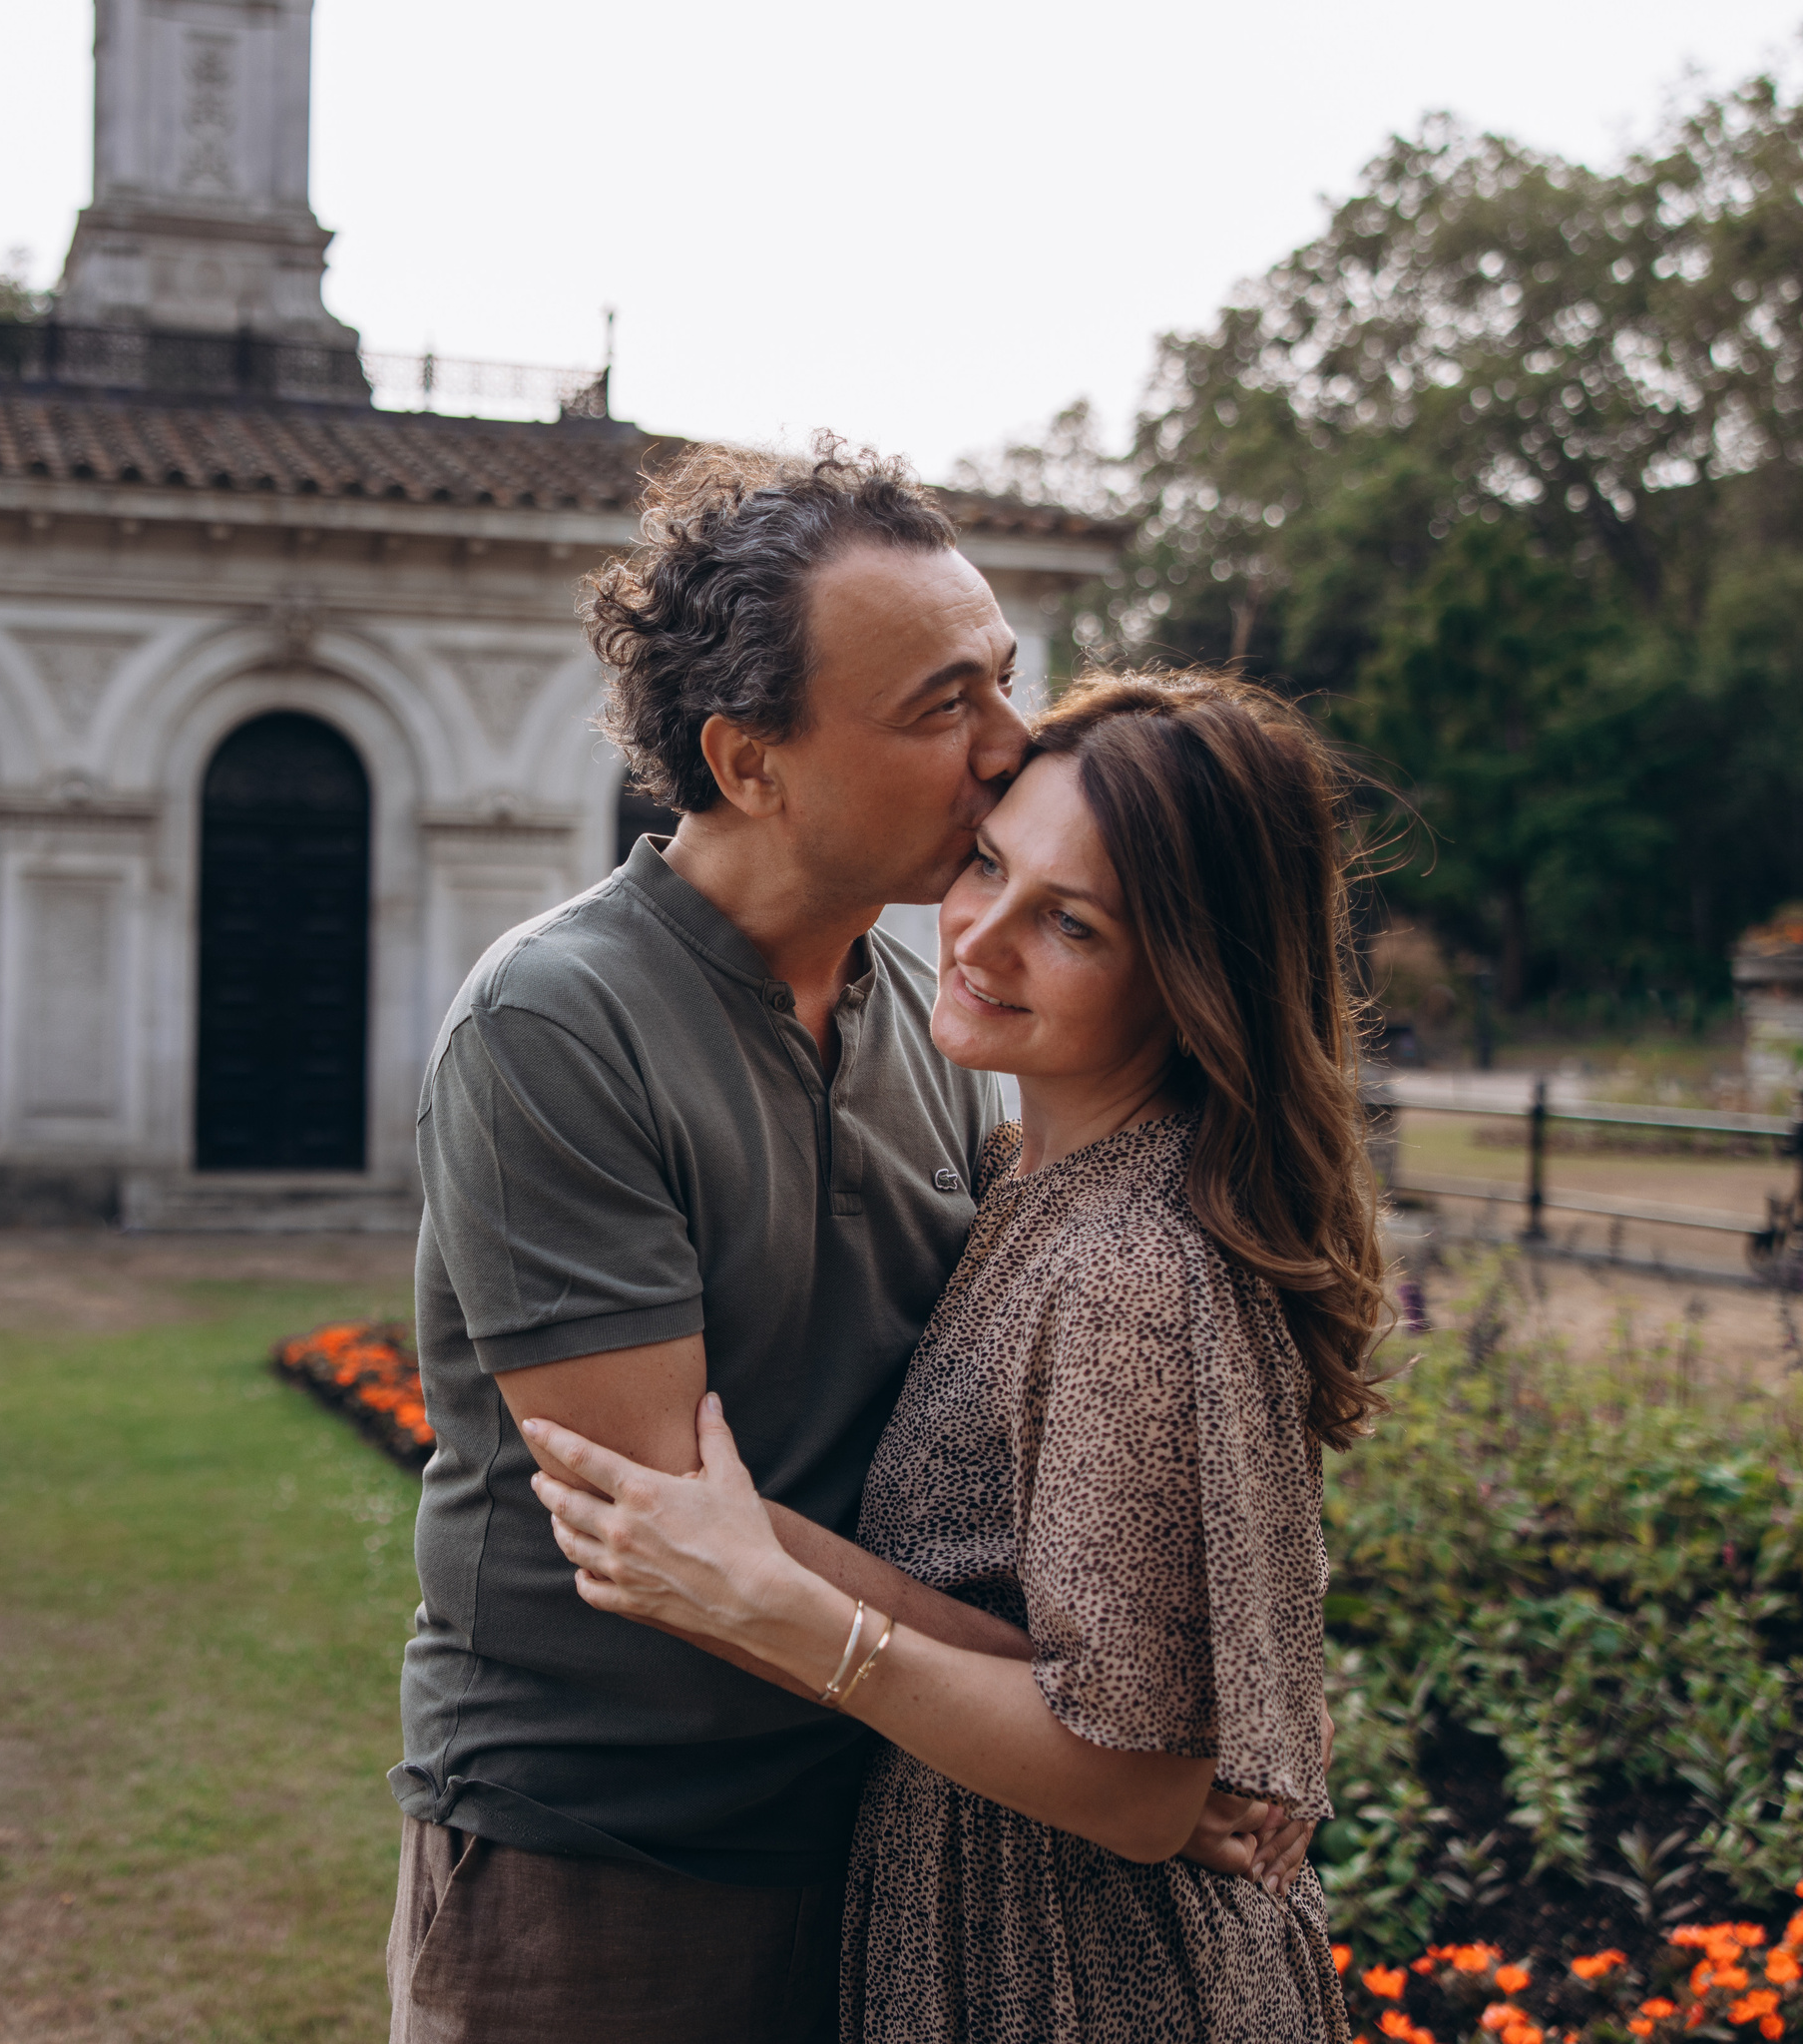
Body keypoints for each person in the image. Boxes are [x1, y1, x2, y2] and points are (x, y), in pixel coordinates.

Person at [389, 445, 1309, 2044]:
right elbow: (674, 1530)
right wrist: (1128, 1740)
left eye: (1004, 679)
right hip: (609, 1851)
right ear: (752, 764)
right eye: (942, 704)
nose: (1013, 744)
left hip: (892, 1822)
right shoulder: (555, 1025)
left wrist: (1119, 1733)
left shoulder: (931, 1027)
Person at [527, 672, 1385, 2041]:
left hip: (1083, 1973)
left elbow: (1137, 1787)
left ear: (1187, 976)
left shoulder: (1129, 1271)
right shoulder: (1028, 1190)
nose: (981, 934)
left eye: (1073, 922)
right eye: (989, 862)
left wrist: (783, 1613)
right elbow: (1094, 1679)